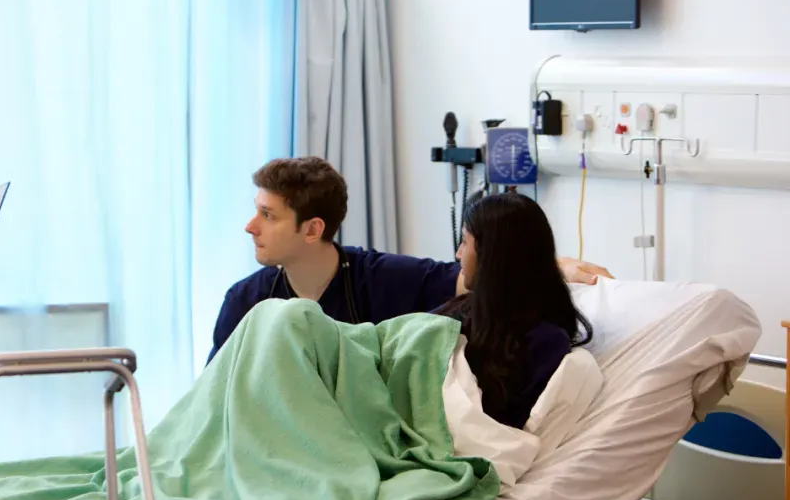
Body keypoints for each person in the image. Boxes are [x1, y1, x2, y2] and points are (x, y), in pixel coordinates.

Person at [207, 157, 610, 364]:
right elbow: (215, 396)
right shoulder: (246, 302)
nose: (250, 226)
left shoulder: (383, 279)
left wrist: (553, 265)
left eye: (268, 215)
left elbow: (482, 273)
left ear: (312, 229)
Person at [432, 192, 593, 428]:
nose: (458, 254)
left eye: (465, 242)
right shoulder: (460, 309)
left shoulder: (544, 344)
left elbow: (493, 430)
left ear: (492, 254)